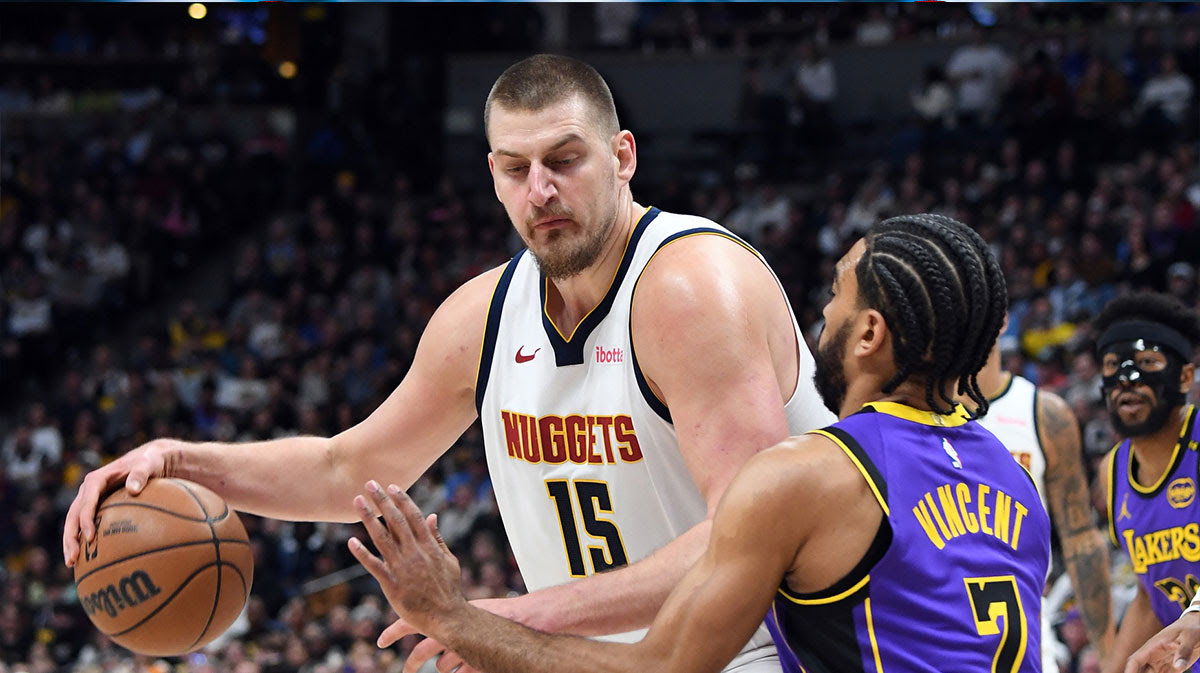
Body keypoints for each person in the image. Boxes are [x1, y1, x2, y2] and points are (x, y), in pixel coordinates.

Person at [62, 54, 834, 673]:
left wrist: (501, 619)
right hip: (584, 659)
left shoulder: (691, 287)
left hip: (763, 648)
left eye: (565, 159)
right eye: (515, 167)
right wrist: (186, 462)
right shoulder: (484, 314)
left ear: (622, 155)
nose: (541, 189)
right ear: (492, 174)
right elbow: (348, 468)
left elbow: (745, 534)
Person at [347, 213, 1053, 673]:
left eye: (837, 295)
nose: (823, 313)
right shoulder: (1014, 478)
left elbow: (662, 668)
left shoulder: (805, 475)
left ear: (869, 334)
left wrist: (454, 618)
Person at [972, 327, 1115, 671]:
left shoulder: (1041, 412)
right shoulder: (916, 409)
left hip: (1024, 631)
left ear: (1003, 319)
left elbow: (1080, 538)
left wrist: (1110, 654)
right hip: (941, 632)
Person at [1088, 294, 1200, 673]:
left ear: (1185, 375)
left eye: (1147, 363)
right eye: (1112, 366)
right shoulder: (1112, 470)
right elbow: (1150, 593)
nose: (1126, 380)